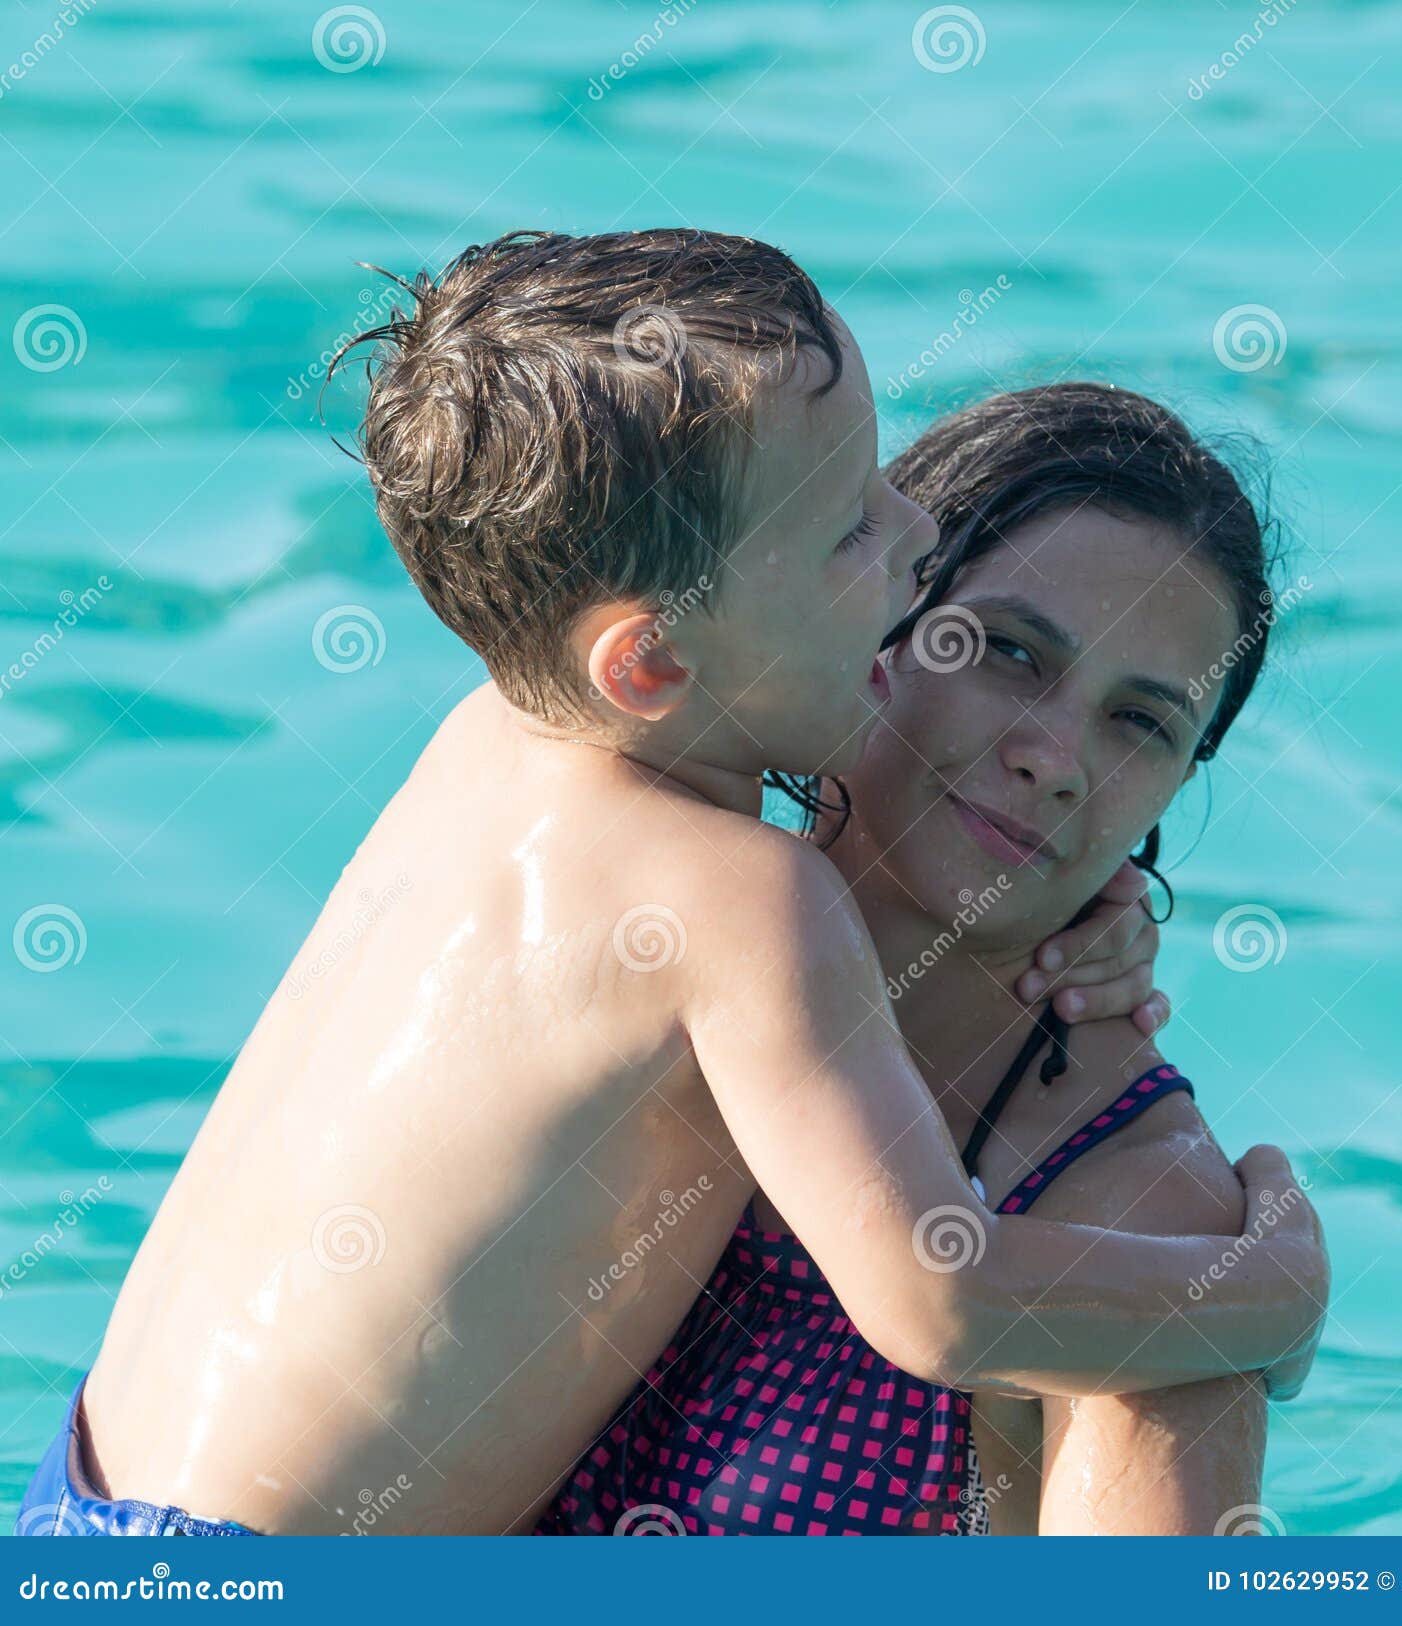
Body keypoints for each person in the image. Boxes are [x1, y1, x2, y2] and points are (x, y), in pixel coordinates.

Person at [17, 233, 1325, 1538]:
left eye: (1142, 726)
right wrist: (1275, 1294)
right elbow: (938, 1301)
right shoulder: (745, 909)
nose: (913, 532)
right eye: (865, 537)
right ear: (651, 664)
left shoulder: (496, 753)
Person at [539, 383, 1304, 1536]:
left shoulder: (1141, 1230)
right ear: (866, 615)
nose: (1055, 758)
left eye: (1139, 722)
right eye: (1004, 651)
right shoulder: (590, 903)